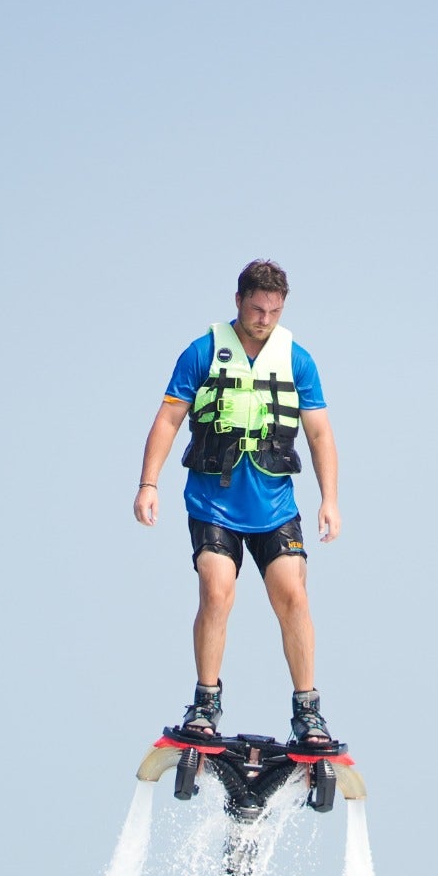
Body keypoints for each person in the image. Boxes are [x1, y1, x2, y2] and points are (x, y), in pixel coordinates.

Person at [133, 259, 341, 745]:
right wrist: (148, 483)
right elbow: (167, 421)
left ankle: (308, 712)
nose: (264, 319)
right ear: (238, 302)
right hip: (214, 502)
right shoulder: (202, 352)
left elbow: (319, 433)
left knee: (293, 594)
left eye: (273, 310)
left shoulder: (298, 360)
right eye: (256, 308)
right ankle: (205, 703)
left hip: (273, 505)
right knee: (216, 588)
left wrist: (330, 498)